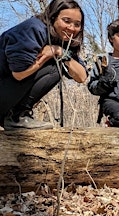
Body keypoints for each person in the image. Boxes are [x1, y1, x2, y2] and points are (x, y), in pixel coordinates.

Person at [0, 0, 87, 130]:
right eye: (66, 21)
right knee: (54, 69)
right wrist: (46, 58)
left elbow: (82, 77)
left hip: (6, 92)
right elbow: (18, 74)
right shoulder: (33, 28)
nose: (72, 28)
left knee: (57, 65)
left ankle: (15, 116)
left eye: (77, 24)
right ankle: (16, 116)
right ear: (53, 17)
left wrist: (59, 51)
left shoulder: (63, 40)